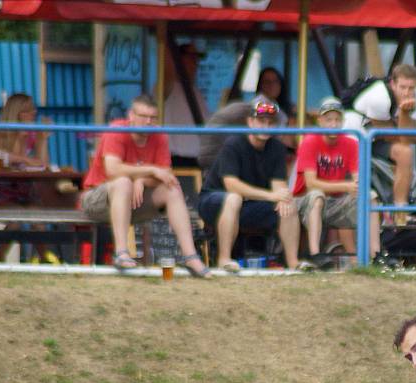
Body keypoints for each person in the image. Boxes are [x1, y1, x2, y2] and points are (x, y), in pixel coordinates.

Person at [81, 94, 211, 277]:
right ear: (131, 116)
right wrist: (149, 170)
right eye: (143, 116)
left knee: (172, 188)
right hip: (97, 201)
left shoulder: (159, 135)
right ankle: (121, 253)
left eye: (152, 117)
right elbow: (113, 170)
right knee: (123, 182)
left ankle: (190, 256)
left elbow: (165, 175)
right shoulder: (116, 130)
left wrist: (142, 180)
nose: (148, 122)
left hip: (135, 203)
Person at [197, 99, 310, 272]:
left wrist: (282, 196)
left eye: (270, 122)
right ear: (250, 122)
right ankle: (224, 260)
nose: (265, 126)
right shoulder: (233, 144)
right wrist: (272, 196)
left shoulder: (277, 148)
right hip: (214, 200)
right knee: (234, 198)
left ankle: (294, 262)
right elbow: (231, 185)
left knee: (288, 204)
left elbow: (278, 184)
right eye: (261, 120)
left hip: (250, 204)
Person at [292, 97, 396, 269]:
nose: (333, 124)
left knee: (369, 196)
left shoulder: (351, 142)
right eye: (328, 119)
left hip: (336, 201)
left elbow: (357, 177)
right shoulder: (309, 141)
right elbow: (311, 184)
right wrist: (346, 186)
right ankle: (315, 254)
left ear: (342, 121)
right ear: (320, 121)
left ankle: (376, 254)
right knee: (317, 196)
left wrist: (357, 185)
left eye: (337, 119)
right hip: (305, 200)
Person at [343, 64, 416, 221]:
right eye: (402, 87)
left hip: (376, 139)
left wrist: (406, 120)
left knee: (406, 152)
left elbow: (405, 139)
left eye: (411, 88)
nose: (407, 92)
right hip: (354, 139)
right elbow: (394, 135)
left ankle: (400, 210)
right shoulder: (378, 97)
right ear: (392, 84)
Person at [0, 93, 66, 264]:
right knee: (16, 222)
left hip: (24, 191)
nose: (34, 113)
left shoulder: (31, 135)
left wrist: (42, 139)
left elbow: (42, 165)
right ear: (17, 113)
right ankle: (1, 260)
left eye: (33, 109)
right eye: (29, 110)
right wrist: (20, 138)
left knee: (39, 221)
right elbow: (5, 157)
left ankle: (44, 259)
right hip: (0, 191)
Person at [162, 43, 210, 167]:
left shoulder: (195, 91)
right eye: (191, 58)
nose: (195, 63)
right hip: (178, 157)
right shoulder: (168, 86)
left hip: (198, 157)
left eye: (196, 59)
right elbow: (167, 70)